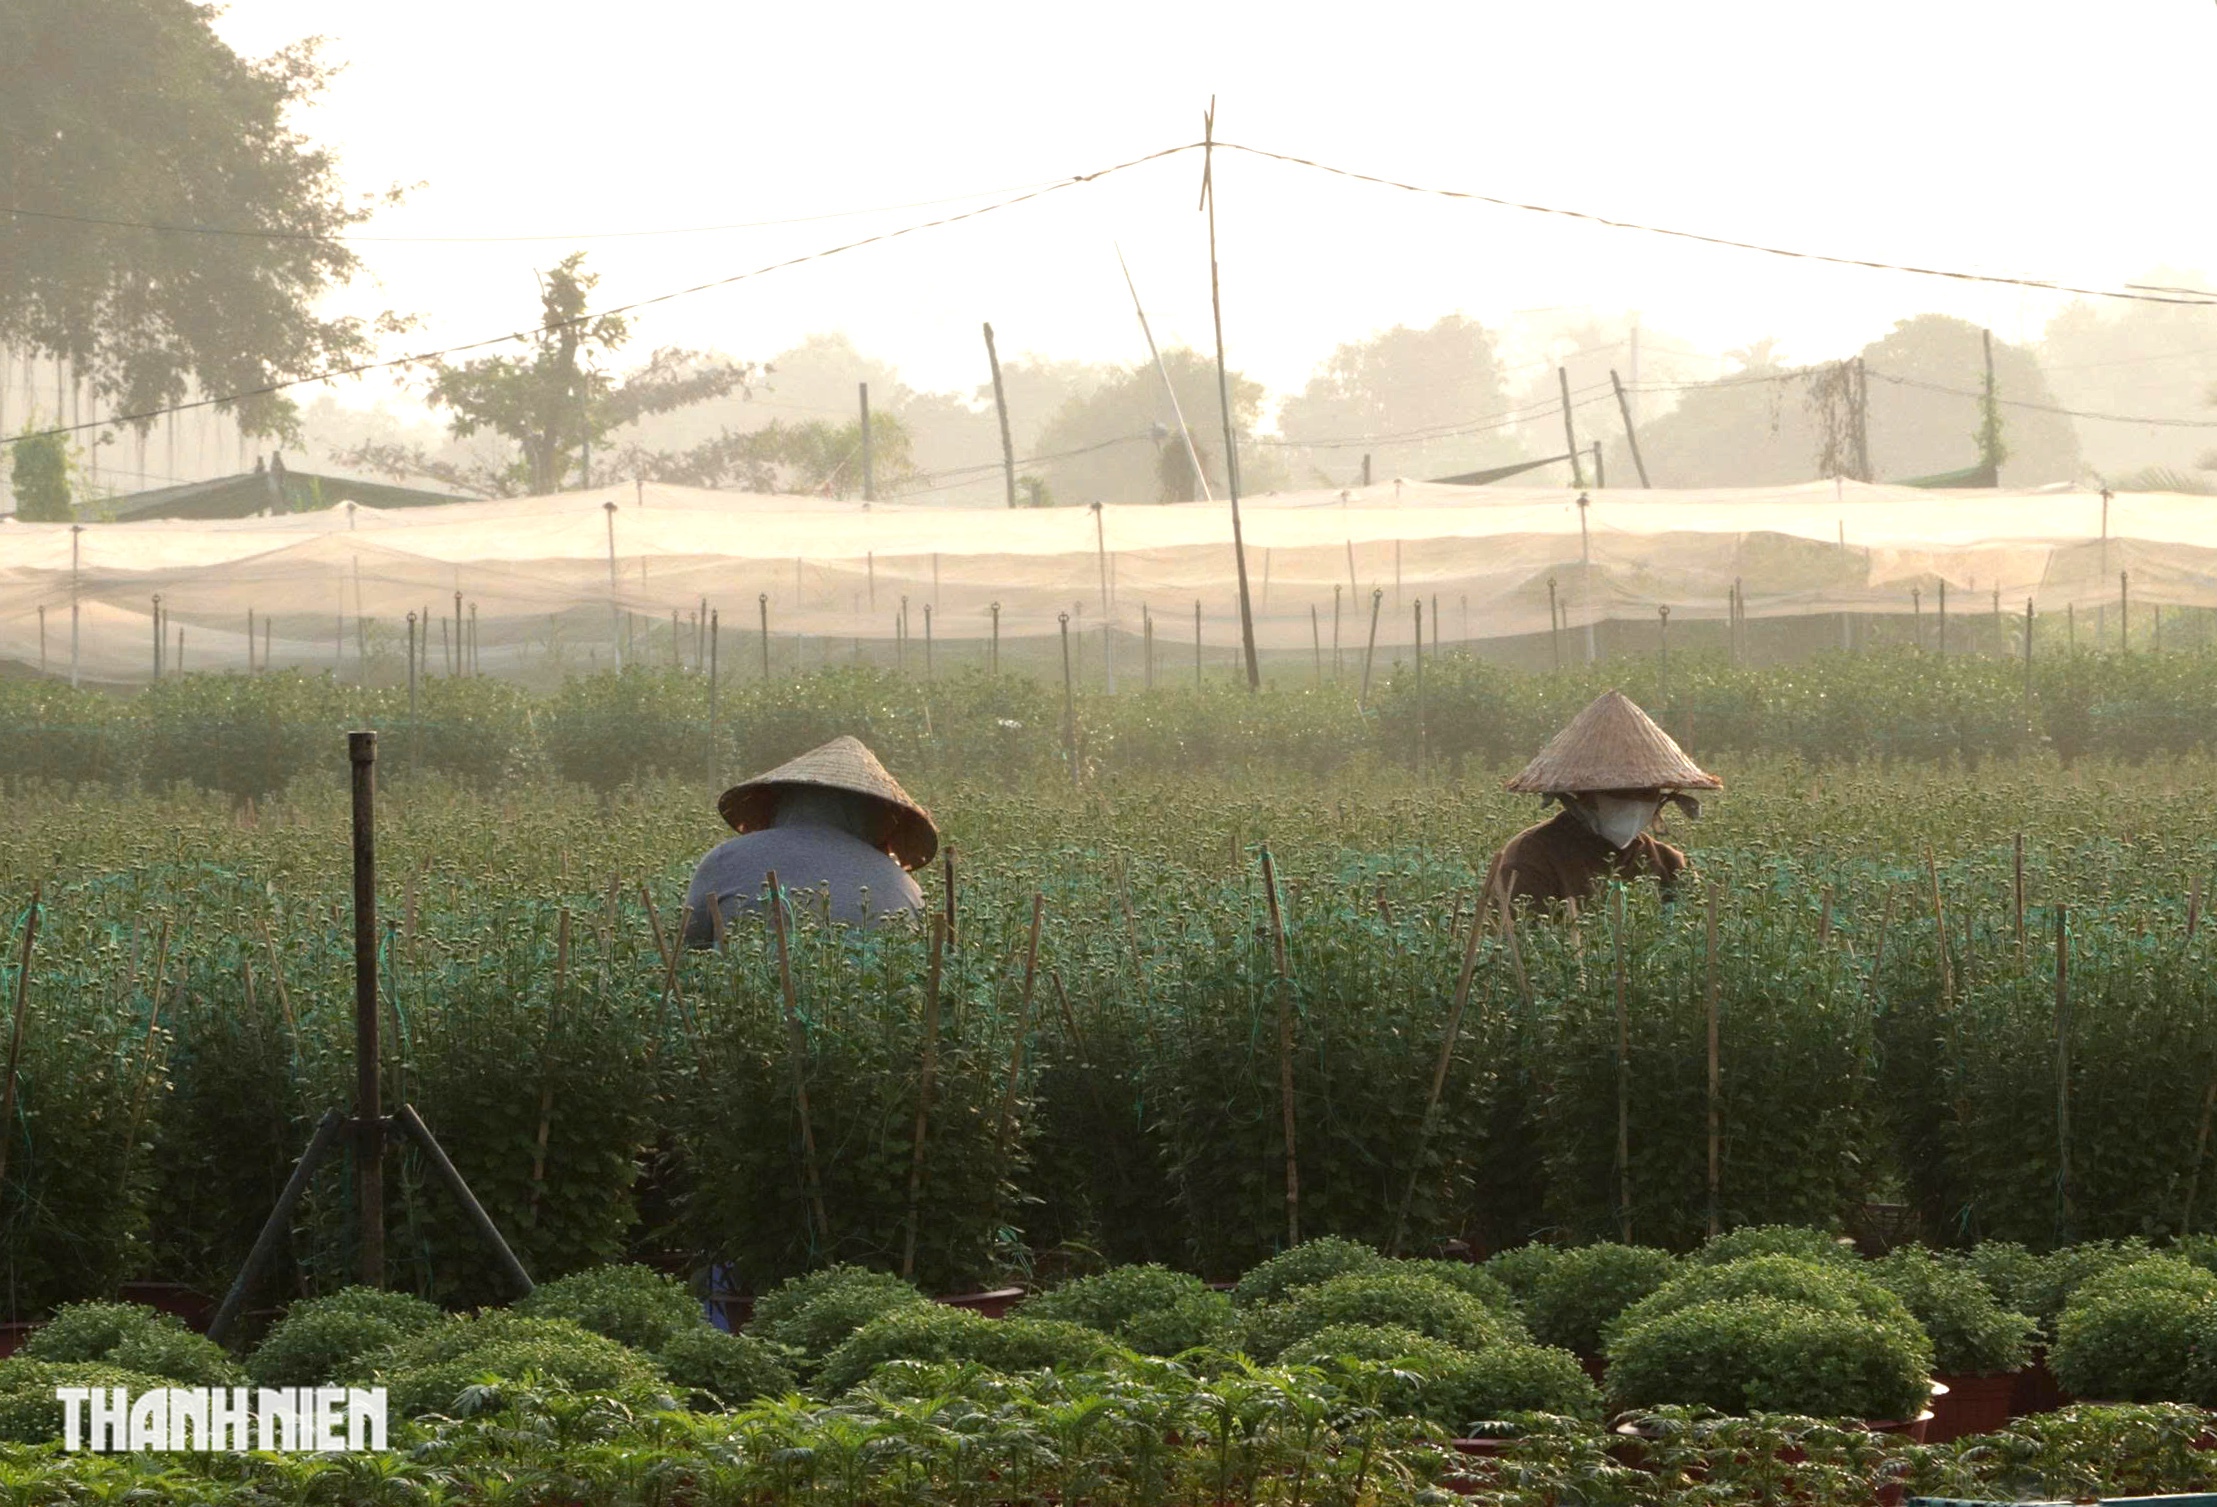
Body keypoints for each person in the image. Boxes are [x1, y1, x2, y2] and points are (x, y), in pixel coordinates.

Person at [683, 735, 935, 946]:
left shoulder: (725, 860)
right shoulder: (906, 888)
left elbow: (685, 959)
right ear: (878, 816)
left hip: (737, 1004)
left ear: (781, 800)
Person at [1482, 689, 1721, 912]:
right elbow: (1519, 946)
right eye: (1620, 792)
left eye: (1646, 792)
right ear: (1583, 795)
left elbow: (1697, 930)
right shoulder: (1531, 858)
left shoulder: (1669, 864)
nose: (1635, 804)